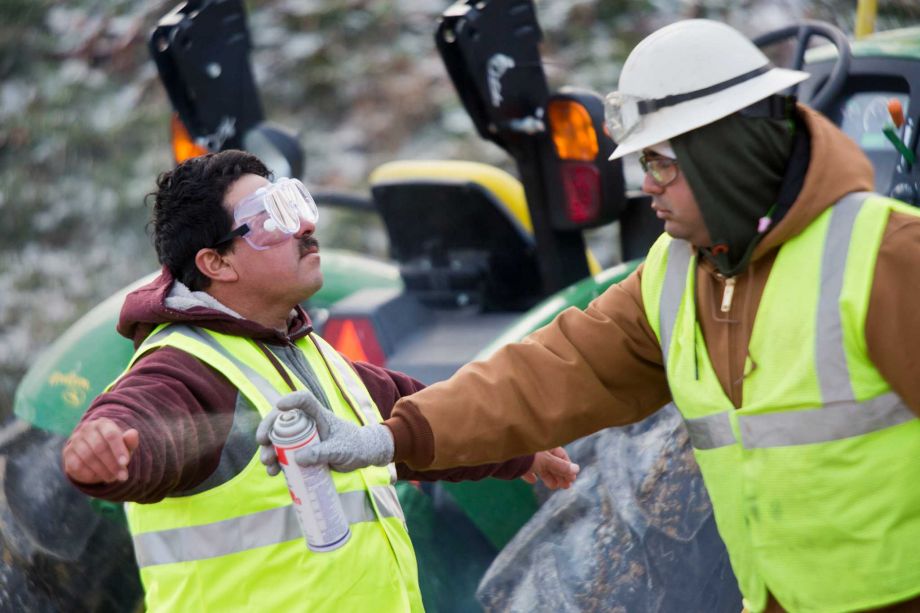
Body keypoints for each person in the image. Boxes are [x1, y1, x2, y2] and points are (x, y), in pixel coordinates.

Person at [259, 19, 920, 613]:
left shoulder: (886, 257)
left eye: (661, 162)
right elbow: (544, 374)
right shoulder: (679, 272)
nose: (646, 186)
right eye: (642, 163)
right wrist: (387, 436)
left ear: (726, 153)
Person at [61, 149, 579, 613]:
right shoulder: (184, 367)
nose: (303, 229)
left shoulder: (305, 353)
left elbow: (415, 418)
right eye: (269, 221)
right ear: (215, 262)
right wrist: (107, 451)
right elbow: (142, 421)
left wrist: (519, 449)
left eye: (294, 205)